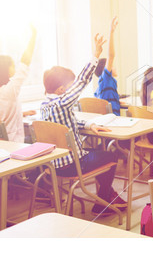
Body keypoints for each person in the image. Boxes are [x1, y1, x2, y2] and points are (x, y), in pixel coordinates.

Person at [40, 33, 126, 215]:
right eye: (70, 87)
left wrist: (88, 126)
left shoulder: (46, 106)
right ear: (62, 89)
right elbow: (82, 81)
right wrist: (96, 54)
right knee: (110, 156)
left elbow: (66, 124)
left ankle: (106, 196)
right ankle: (102, 202)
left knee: (100, 154)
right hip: (72, 164)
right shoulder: (62, 102)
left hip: (52, 166)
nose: (74, 89)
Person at [0, 26, 36, 142]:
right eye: (12, 65)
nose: (15, 67)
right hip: (14, 142)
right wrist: (33, 36)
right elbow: (25, 62)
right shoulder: (9, 90)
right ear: (5, 69)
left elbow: (3, 113)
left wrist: (21, 113)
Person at [94, 17, 120, 115]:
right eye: (112, 65)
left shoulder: (101, 85)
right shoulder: (106, 79)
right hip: (113, 121)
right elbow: (111, 55)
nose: (114, 66)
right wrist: (111, 32)